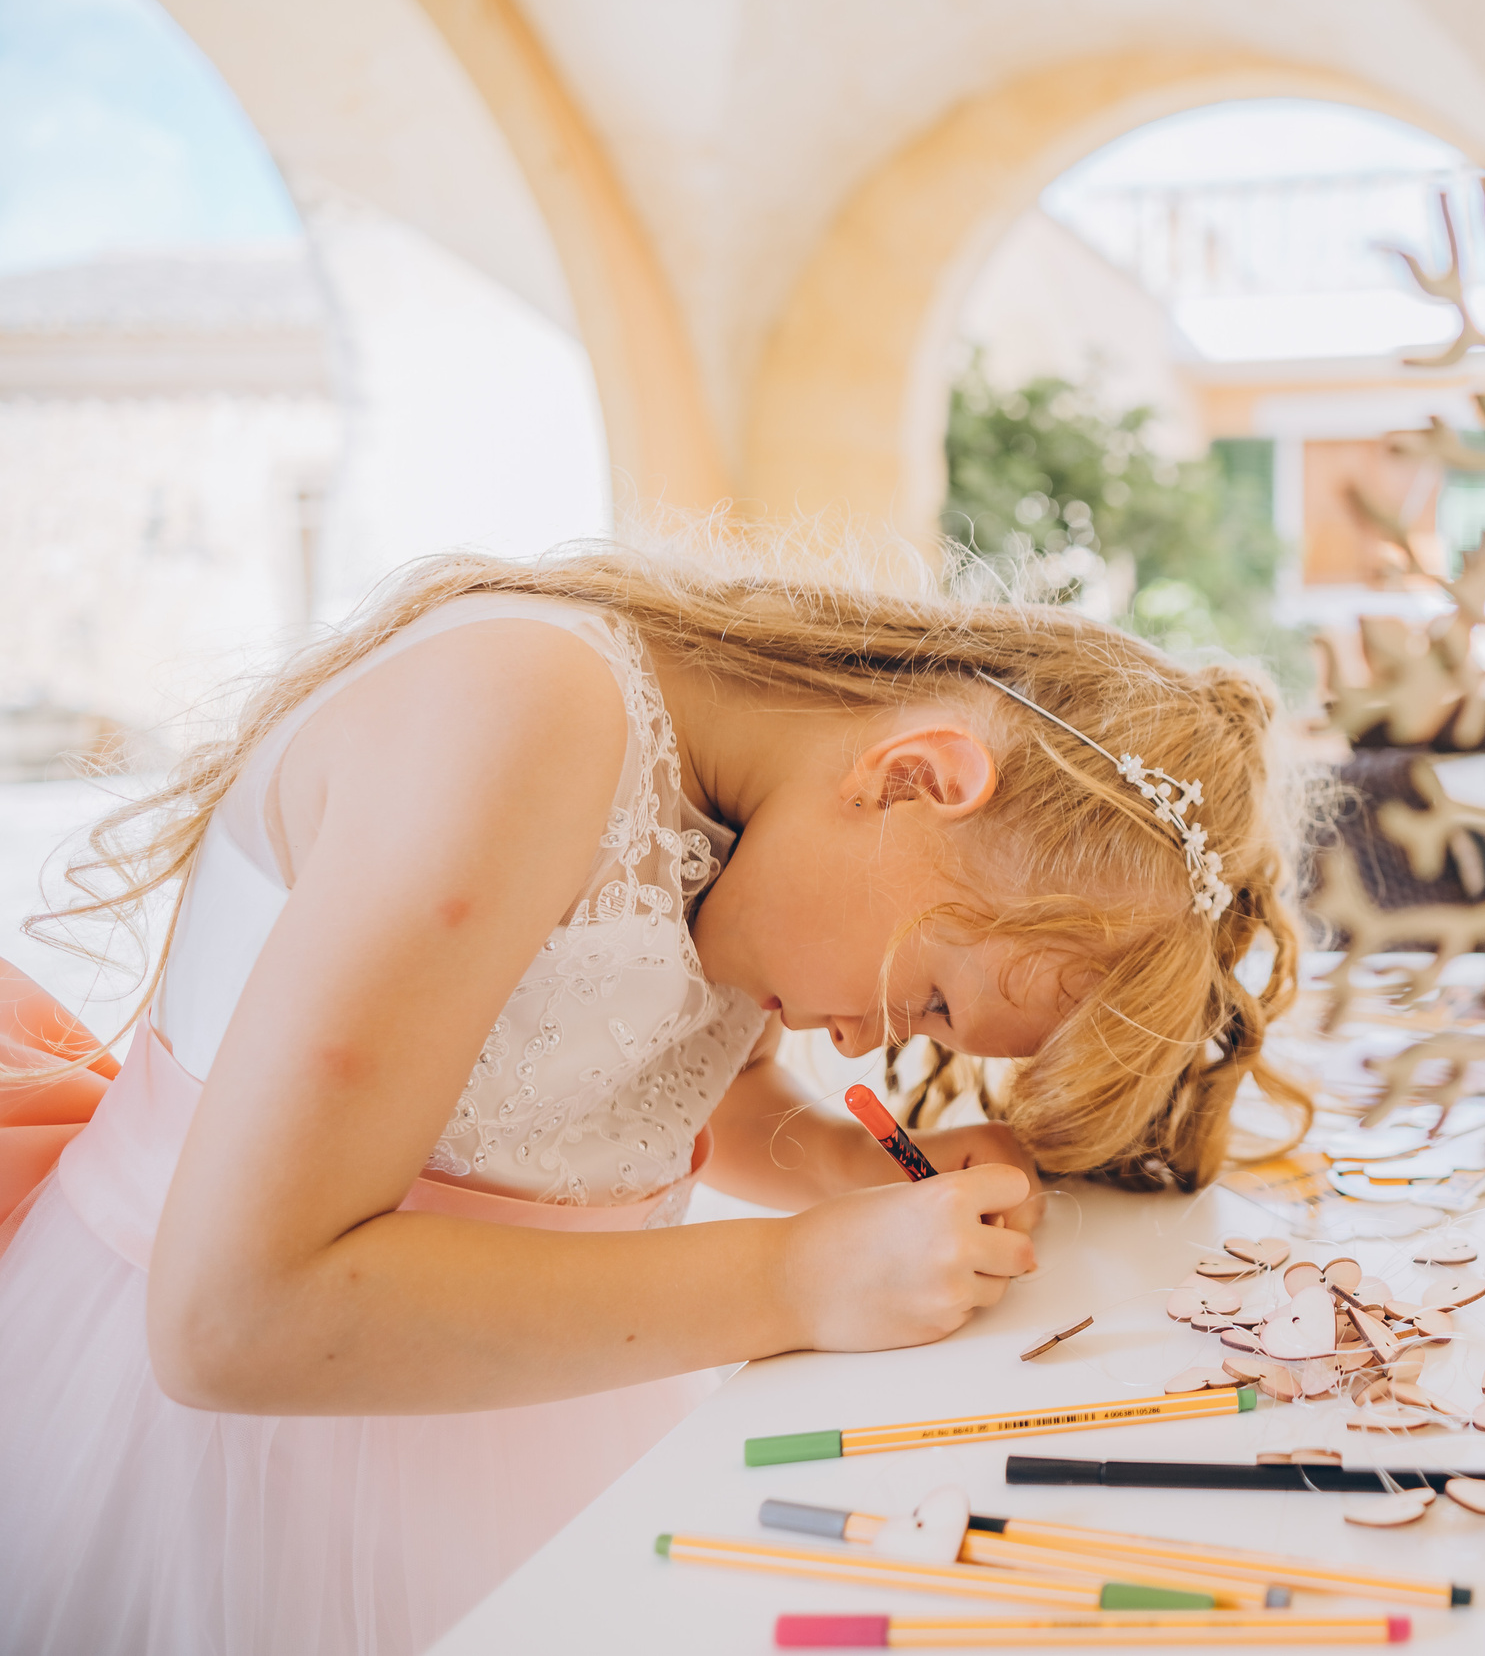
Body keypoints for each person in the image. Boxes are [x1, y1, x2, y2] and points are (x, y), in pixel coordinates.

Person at [0, 550, 1309, 1656]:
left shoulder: (750, 816)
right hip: (237, 1467)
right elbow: (232, 1321)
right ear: (918, 777)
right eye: (934, 1004)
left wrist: (856, 1181)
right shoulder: (519, 714)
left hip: (527, 1398)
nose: (867, 1035)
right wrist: (797, 1276)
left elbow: (653, 1092)